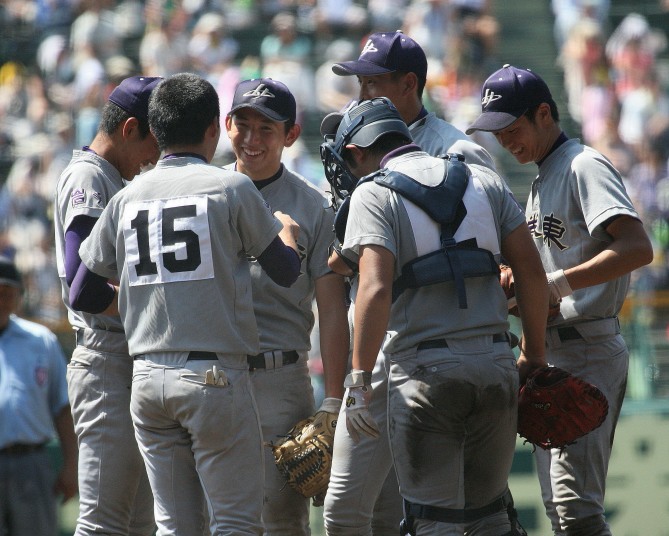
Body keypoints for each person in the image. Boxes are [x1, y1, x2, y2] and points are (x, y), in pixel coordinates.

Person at [69, 72, 302, 536]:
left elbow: (81, 291)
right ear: (214, 128)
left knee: (175, 527)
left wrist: (142, 299)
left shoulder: (127, 195)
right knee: (235, 524)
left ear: (156, 132)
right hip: (214, 377)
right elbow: (285, 271)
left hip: (147, 379)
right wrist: (289, 235)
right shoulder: (230, 187)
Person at [320, 97, 548, 535]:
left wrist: (359, 380)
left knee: (434, 522)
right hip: (495, 365)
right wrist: (534, 355)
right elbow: (532, 272)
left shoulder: (374, 192)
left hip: (425, 374)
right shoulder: (484, 179)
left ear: (355, 152)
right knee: (489, 520)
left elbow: (375, 287)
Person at [324, 30, 502, 535]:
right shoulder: (359, 140)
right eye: (359, 83)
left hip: (434, 349)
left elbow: (498, 253)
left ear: (408, 84)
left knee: (443, 515)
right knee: (359, 509)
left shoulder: (457, 150)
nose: (361, 94)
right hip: (379, 347)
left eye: (373, 83)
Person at [466, 64, 654, 536]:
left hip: (587, 345)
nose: (505, 141)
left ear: (544, 114)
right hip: (555, 348)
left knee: (576, 511)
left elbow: (637, 247)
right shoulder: (542, 177)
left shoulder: (582, 164)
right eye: (498, 133)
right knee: (563, 510)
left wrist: (558, 285)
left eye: (512, 128)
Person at [224, 77, 349, 534]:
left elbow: (332, 310)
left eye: (266, 129)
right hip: (214, 375)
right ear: (226, 125)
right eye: (243, 125)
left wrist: (332, 399)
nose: (252, 139)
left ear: (291, 134)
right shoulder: (206, 192)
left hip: (280, 376)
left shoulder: (312, 206)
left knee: (282, 521)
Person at [53, 74, 161, 536]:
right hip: (104, 358)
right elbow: (86, 289)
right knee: (102, 523)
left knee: (139, 523)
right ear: (129, 128)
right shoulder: (90, 176)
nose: (155, 157)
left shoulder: (112, 175)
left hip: (126, 357)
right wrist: (158, 306)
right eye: (154, 142)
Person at [0, 255, 78, 536]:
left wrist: (71, 465)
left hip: (30, 461)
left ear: (19, 296)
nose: (1, 300)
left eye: (8, 292)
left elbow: (63, 406)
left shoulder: (40, 339)